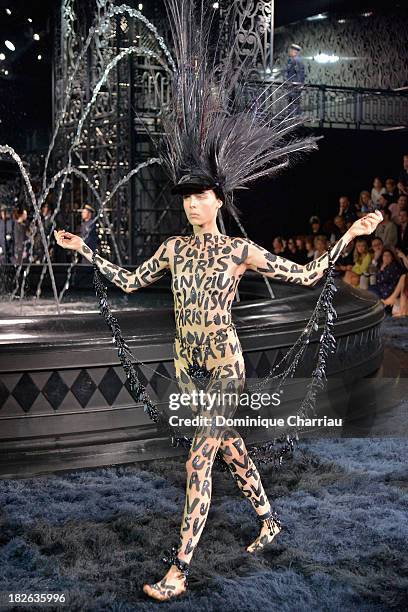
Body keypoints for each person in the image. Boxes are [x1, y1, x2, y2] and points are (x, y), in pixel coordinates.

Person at [55, 0, 383, 600]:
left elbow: (308, 275)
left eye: (199, 197)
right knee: (230, 445)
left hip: (226, 366)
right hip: (189, 365)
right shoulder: (176, 250)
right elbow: (129, 282)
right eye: (185, 198)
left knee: (198, 460)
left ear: (217, 199)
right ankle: (269, 519)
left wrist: (349, 236)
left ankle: (178, 568)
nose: (189, 204)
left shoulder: (239, 250)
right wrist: (84, 250)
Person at [381, 248, 408, 316]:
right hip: (388, 289)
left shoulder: (394, 267)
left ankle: (392, 301)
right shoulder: (384, 266)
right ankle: (402, 310)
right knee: (404, 278)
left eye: (388, 255)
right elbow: (379, 280)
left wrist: (403, 257)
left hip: (391, 288)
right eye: (384, 255)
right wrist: (381, 269)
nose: (386, 257)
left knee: (404, 278)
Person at [284, 43, 305, 116]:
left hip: (294, 86)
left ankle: (294, 117)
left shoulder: (296, 61)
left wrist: (298, 85)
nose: (289, 52)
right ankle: (294, 116)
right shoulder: (294, 60)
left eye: (291, 50)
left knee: (294, 102)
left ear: (294, 52)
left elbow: (299, 74)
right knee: (294, 102)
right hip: (293, 85)